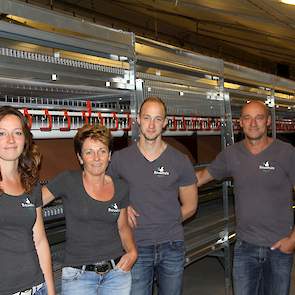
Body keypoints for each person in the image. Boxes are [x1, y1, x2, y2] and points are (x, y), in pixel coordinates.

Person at [196, 100, 295, 295]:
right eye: (247, 118)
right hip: (245, 248)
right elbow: (199, 178)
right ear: (240, 122)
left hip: (279, 248)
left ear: (268, 121)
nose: (253, 123)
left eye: (259, 118)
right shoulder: (231, 154)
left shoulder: (286, 152)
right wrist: (154, 188)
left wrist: (293, 239)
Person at [108, 96, 198, 295]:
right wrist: (121, 206)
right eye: (147, 118)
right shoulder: (120, 159)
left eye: (158, 119)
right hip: (136, 246)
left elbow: (191, 205)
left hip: (172, 245)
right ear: (138, 119)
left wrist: (169, 220)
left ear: (165, 123)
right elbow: (105, 193)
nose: (151, 125)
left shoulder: (180, 160)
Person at [42, 124, 137, 295]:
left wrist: (132, 252)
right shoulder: (67, 180)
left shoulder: (121, 187)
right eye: (89, 152)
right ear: (80, 158)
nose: (96, 158)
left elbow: (123, 227)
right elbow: (33, 201)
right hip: (78, 276)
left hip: (117, 273)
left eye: (101, 151)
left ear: (109, 156)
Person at [0, 106, 55, 295]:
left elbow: (40, 240)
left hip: (35, 287)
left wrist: (50, 290)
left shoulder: (30, 183)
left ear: (25, 139)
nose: (10, 140)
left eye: (17, 133)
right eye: (2, 133)